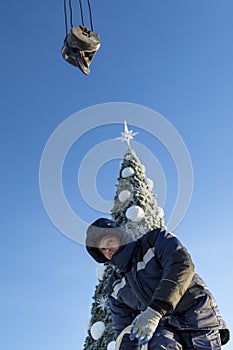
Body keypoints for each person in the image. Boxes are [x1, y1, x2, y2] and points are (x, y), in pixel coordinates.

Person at [85, 218, 230, 349]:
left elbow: (181, 265)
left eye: (109, 240)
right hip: (163, 331)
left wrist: (155, 310)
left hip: (197, 315)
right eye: (102, 248)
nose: (107, 248)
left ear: (120, 236)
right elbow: (124, 328)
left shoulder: (154, 241)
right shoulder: (115, 287)